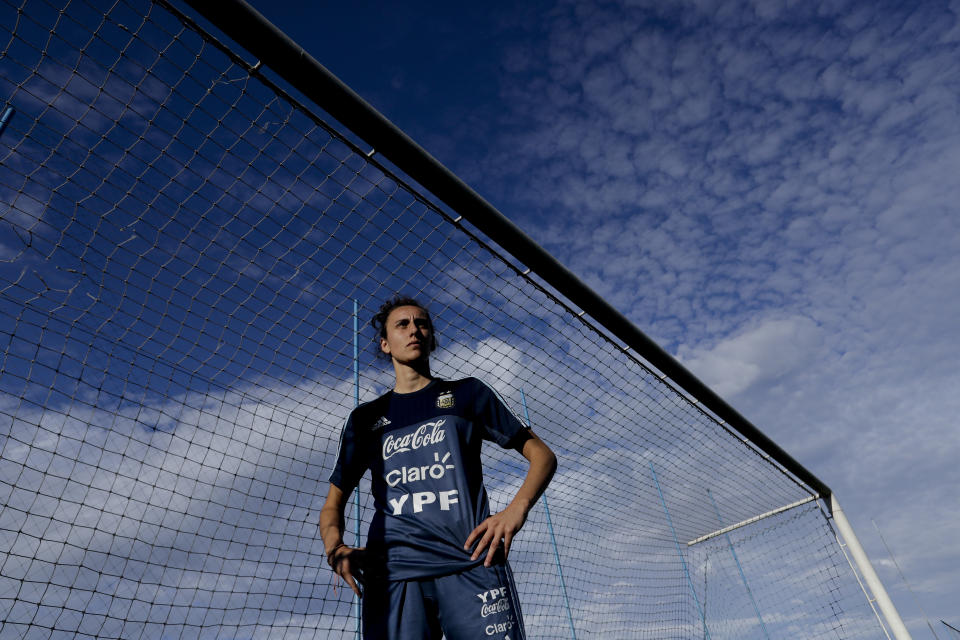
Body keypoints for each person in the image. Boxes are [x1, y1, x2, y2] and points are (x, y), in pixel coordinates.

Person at [320, 296, 557, 640]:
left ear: (431, 337)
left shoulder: (467, 394)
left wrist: (514, 511)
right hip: (393, 573)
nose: (414, 329)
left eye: (422, 323)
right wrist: (335, 548)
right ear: (385, 344)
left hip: (472, 562)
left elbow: (543, 455)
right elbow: (332, 503)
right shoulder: (365, 420)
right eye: (402, 324)